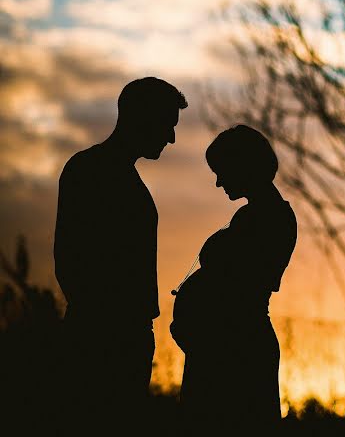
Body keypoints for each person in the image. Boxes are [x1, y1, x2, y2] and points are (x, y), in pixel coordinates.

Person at [54, 77, 187, 431]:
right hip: (103, 340)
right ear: (142, 118)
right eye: (167, 125)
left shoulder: (116, 176)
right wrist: (106, 331)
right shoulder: (89, 170)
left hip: (125, 337)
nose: (171, 138)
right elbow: (69, 259)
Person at [170, 124, 297, 432]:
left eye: (222, 171)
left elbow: (236, 289)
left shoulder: (272, 219)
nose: (218, 182)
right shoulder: (252, 215)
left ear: (244, 166)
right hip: (219, 347)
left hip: (236, 352)